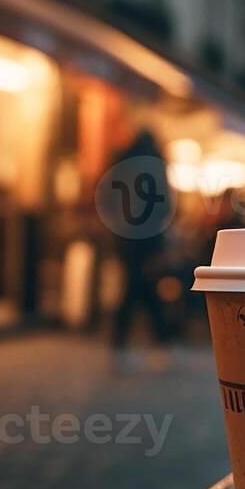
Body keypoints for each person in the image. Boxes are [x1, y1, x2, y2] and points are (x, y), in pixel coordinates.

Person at [108, 128, 175, 350]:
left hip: (123, 237)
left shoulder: (123, 162)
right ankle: (160, 338)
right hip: (148, 238)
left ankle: (124, 340)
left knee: (136, 284)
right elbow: (164, 206)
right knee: (141, 285)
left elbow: (109, 200)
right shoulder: (156, 164)